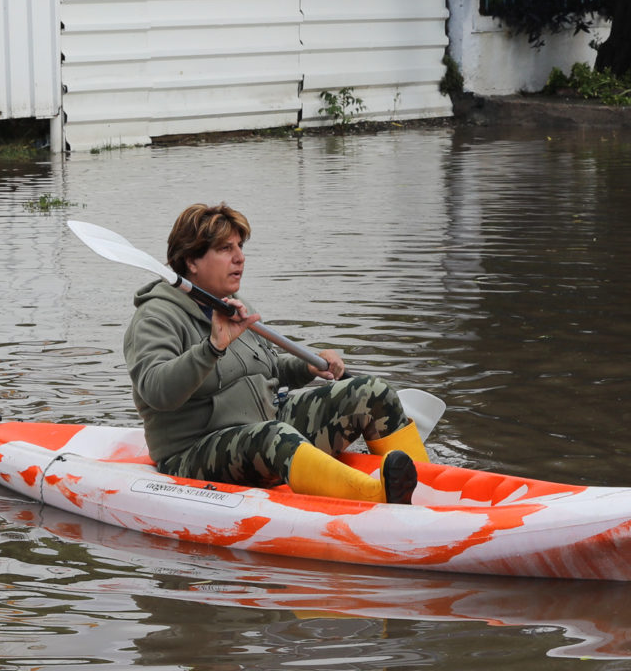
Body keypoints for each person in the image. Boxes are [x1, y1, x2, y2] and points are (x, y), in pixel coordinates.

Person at [124, 202, 429, 505]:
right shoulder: (156, 317)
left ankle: (427, 483)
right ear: (192, 261)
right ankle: (377, 497)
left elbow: (266, 368)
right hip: (193, 451)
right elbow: (156, 391)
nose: (240, 258)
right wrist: (212, 348)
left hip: (264, 422)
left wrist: (307, 368)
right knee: (275, 436)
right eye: (225, 249)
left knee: (372, 392)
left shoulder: (232, 303)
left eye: (240, 246)